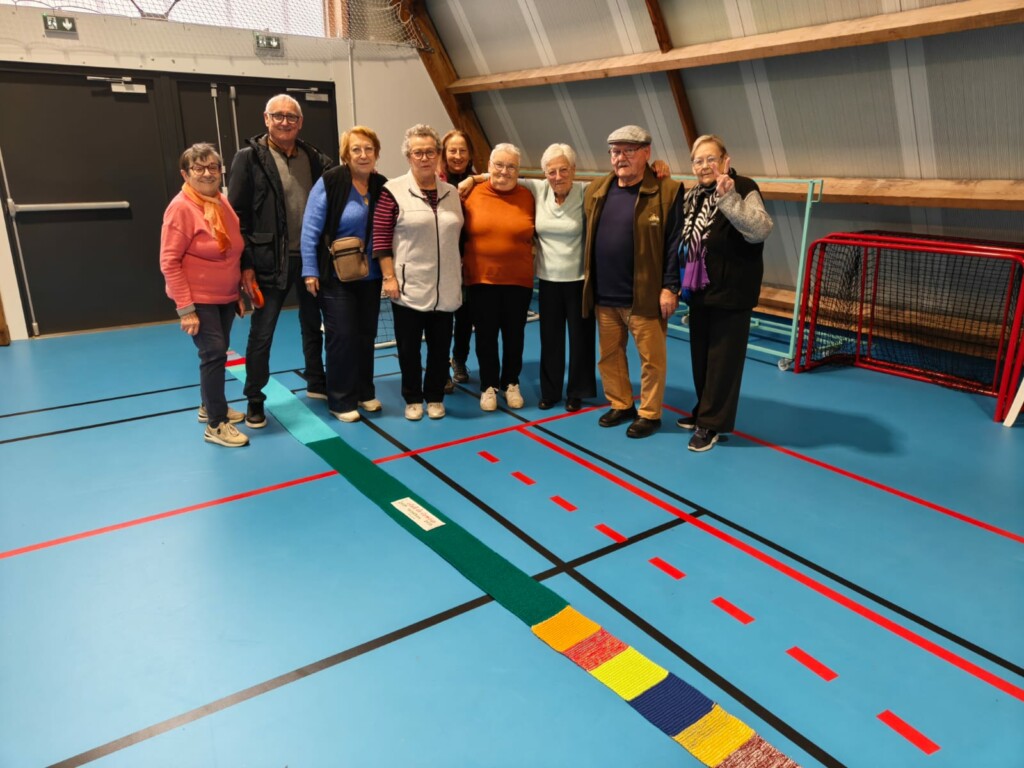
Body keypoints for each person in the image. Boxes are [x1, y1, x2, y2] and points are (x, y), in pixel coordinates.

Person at [228, 93, 334, 429]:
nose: (285, 122)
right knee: (263, 333)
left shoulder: (316, 159)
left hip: (311, 260)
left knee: (312, 324)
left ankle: (316, 381)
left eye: (291, 117)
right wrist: (246, 264)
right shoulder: (248, 158)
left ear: (300, 123)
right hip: (268, 262)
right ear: (266, 119)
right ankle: (255, 398)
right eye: (278, 116)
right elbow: (237, 216)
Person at [582, 125, 682, 439]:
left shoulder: (667, 190)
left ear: (646, 153)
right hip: (605, 294)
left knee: (652, 360)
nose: (620, 158)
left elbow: (674, 243)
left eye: (628, 151)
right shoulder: (596, 189)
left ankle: (650, 414)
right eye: (615, 151)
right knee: (609, 356)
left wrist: (670, 287)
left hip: (645, 295)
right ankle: (621, 403)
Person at [677, 134, 773, 452]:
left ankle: (711, 424)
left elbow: (760, 229)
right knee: (702, 359)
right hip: (700, 291)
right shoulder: (693, 195)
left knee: (722, 363)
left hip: (732, 292)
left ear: (725, 160)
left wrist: (728, 199)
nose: (704, 165)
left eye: (711, 159)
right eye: (698, 160)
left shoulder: (743, 186)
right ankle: (703, 410)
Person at [372, 124, 464, 421]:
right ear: (408, 156)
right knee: (409, 349)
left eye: (430, 152)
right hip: (407, 286)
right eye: (418, 153)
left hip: (446, 286)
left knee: (440, 347)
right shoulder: (392, 191)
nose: (425, 158)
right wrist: (389, 277)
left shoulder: (452, 193)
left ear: (438, 155)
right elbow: (381, 240)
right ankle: (412, 397)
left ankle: (435, 396)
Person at [160, 143, 248, 447]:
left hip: (224, 296)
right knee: (213, 353)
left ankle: (209, 405)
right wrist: (186, 309)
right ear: (185, 174)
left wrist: (236, 292)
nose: (207, 173)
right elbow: (169, 261)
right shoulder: (181, 208)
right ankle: (216, 424)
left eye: (213, 167)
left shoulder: (221, 202)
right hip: (198, 300)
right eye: (199, 168)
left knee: (216, 353)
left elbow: (231, 252)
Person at [300, 126, 386, 423]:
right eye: (356, 150)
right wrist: (310, 270)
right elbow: (310, 229)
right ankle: (341, 400)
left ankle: (364, 392)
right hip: (335, 277)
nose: (363, 155)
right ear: (345, 155)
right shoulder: (331, 182)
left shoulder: (381, 185)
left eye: (368, 149)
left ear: (376, 153)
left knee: (366, 335)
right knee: (342, 337)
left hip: (371, 276)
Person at [461, 143, 536, 412]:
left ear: (518, 170)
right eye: (499, 165)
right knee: (486, 336)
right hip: (481, 281)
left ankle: (511, 382)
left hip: (519, 281)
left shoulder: (529, 196)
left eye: (511, 166)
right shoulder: (470, 193)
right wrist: (474, 179)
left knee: (515, 336)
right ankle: (489, 385)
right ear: (489, 166)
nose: (504, 171)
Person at [439, 129, 477, 390]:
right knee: (441, 319)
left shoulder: (478, 183)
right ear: (444, 153)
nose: (458, 155)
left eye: (463, 150)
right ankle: (441, 367)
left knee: (465, 318)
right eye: (452, 150)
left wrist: (476, 178)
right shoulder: (435, 182)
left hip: (469, 264)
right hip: (442, 263)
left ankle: (459, 360)